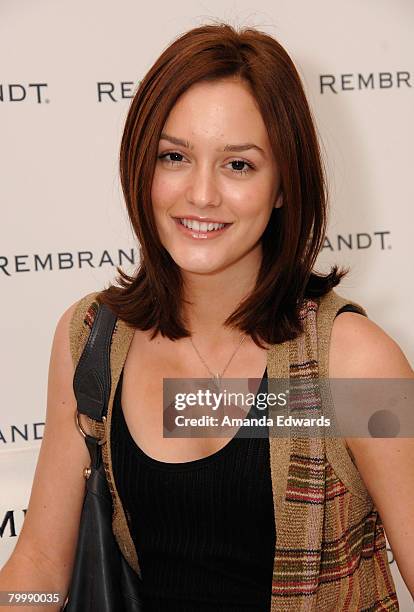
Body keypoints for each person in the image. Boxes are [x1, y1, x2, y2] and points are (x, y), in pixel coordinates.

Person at [1, 21, 413, 612]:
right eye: (174, 157)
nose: (201, 194)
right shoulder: (93, 339)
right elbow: (40, 562)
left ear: (282, 185)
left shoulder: (350, 363)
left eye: (238, 165)